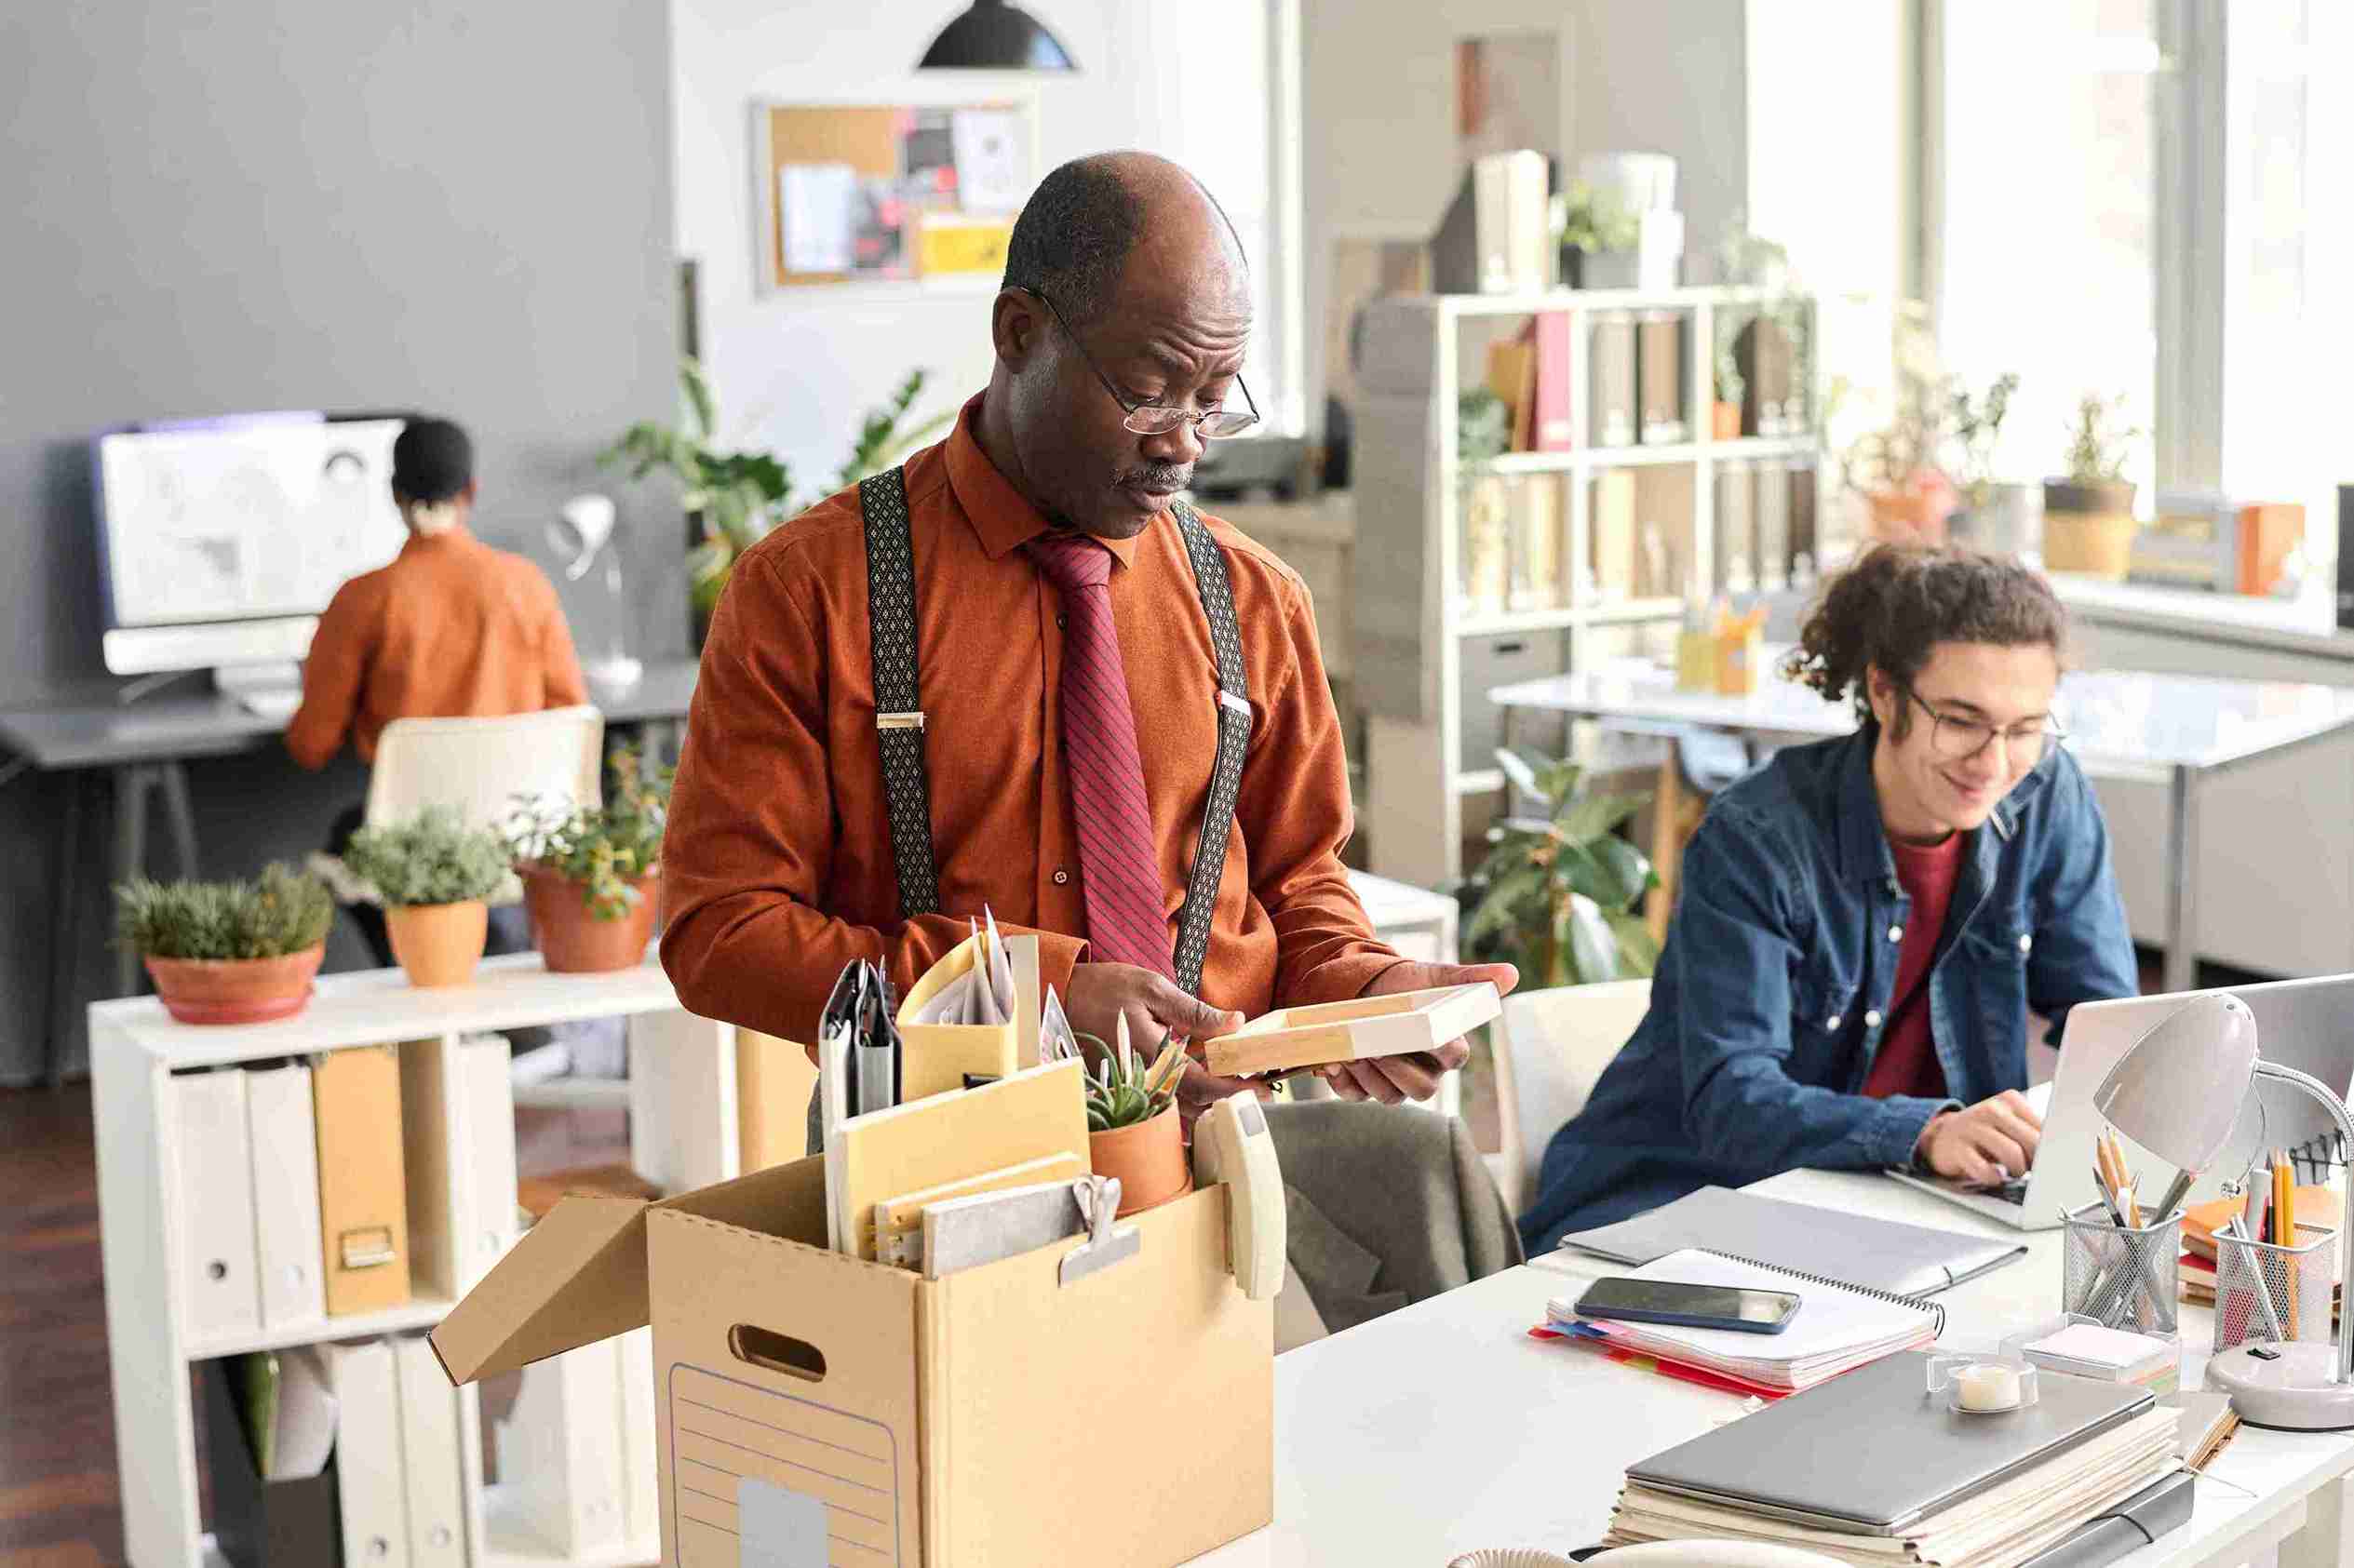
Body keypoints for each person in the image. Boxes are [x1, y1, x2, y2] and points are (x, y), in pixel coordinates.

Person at [660, 151, 1514, 1113]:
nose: (1185, 439)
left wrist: (1360, 986)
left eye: (1214, 396)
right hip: (921, 1181)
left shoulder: (1255, 600)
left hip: (1217, 1173)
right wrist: (1032, 994)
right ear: (1020, 332)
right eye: (1150, 389)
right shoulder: (810, 590)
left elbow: (1296, 884)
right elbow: (721, 933)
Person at [1519, 543, 2138, 1253]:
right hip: (1685, 1194)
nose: (1993, 763)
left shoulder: (2046, 793)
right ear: (1883, 693)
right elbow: (1732, 1101)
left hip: (1907, 1203)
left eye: (2025, 728)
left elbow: (2110, 1025)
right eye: (1961, 721)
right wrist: (1925, 1132)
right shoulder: (1756, 837)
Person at [288, 416, 587, 963]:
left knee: (345, 835)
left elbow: (311, 746)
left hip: (408, 847)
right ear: (471, 491)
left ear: (395, 495)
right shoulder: (527, 586)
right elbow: (569, 715)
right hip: (511, 840)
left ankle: (420, 976)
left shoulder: (363, 599)